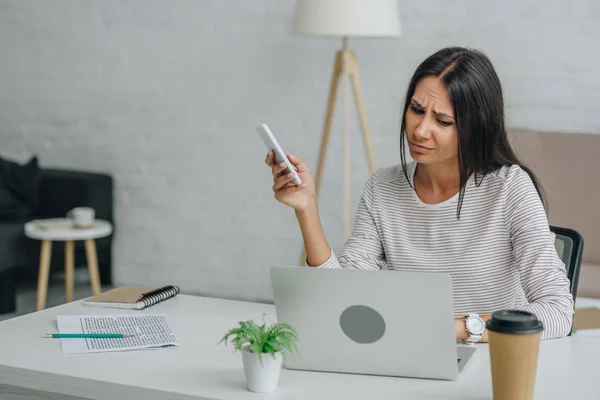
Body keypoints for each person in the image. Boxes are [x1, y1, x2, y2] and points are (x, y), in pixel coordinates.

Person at [265, 47, 574, 342]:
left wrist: (456, 328)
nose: (420, 130)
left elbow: (558, 311)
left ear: (476, 128)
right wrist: (306, 210)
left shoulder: (510, 188)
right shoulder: (382, 188)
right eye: (416, 110)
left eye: (442, 121)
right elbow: (342, 298)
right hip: (409, 352)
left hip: (492, 358)